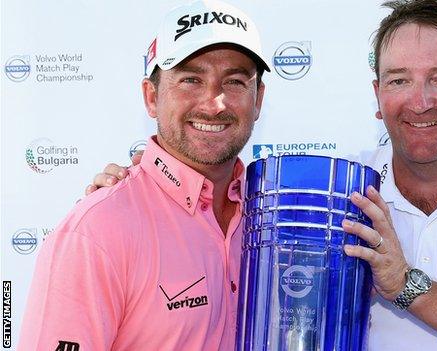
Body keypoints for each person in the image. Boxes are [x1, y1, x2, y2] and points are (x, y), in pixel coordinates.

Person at [88, 0, 437, 350]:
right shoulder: (344, 186)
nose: (420, 102)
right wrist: (140, 190)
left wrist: (406, 286)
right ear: (378, 97)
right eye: (400, 80)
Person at [18, 1, 269, 350]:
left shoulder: (276, 217)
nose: (214, 103)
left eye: (236, 81)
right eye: (191, 80)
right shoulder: (96, 231)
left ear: (258, 102)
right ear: (151, 97)